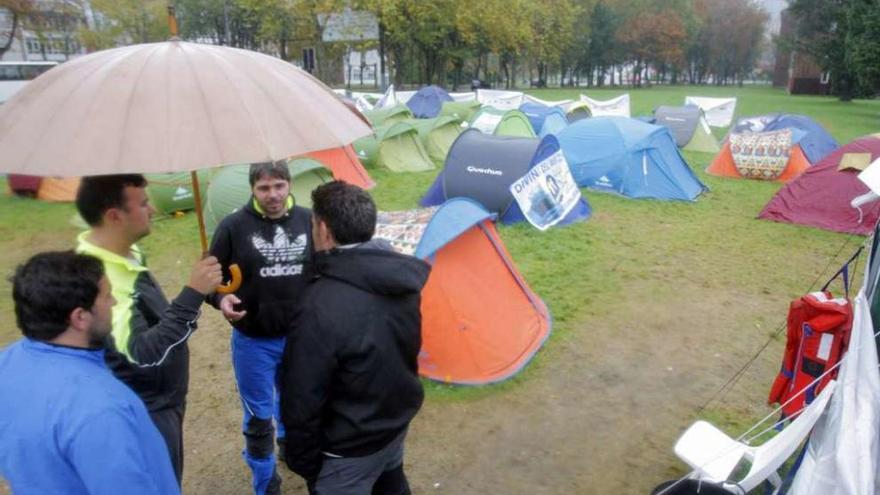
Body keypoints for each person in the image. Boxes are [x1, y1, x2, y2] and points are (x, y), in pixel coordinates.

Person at [281, 181, 430, 495]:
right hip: (393, 425)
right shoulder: (398, 275)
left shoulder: (318, 304)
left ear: (323, 229)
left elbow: (302, 394)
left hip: (348, 450)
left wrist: (304, 461)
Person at [75, 174, 222, 483]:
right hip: (145, 411)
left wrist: (205, 289)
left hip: (163, 398)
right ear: (115, 216)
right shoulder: (103, 280)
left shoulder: (124, 253)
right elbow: (142, 355)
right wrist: (193, 293)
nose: (153, 210)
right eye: (143, 203)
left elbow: (152, 317)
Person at [0, 251, 180, 495]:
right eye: (106, 296)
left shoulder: (8, 362)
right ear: (80, 317)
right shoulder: (102, 409)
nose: (114, 302)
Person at [207, 161, 312, 495]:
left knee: (296, 403)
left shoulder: (309, 221)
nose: (273, 195)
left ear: (289, 184)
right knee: (258, 416)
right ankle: (265, 481)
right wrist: (218, 299)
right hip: (254, 340)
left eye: (279, 185)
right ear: (252, 189)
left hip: (300, 338)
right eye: (264, 188)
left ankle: (289, 447)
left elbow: (326, 270)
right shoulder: (233, 226)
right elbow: (211, 278)